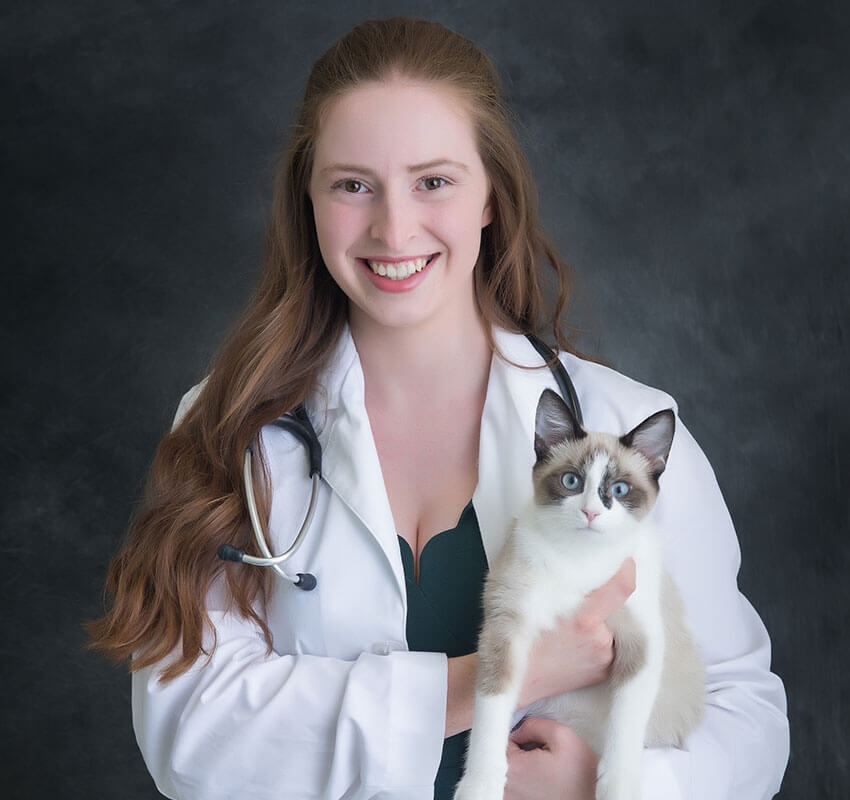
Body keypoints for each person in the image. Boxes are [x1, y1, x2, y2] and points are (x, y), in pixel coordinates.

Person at [88, 17, 789, 800]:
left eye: (434, 181)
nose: (394, 229)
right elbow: (189, 731)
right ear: (309, 201)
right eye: (353, 184)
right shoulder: (228, 429)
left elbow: (743, 710)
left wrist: (605, 787)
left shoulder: (623, 428)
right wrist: (490, 678)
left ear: (492, 196)